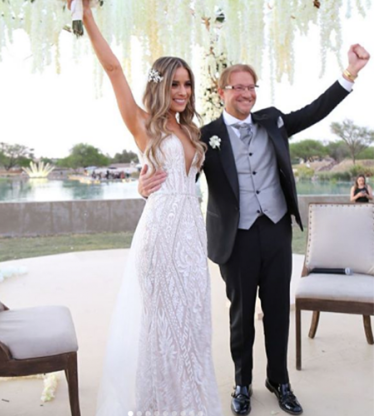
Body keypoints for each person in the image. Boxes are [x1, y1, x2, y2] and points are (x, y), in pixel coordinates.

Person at [139, 44, 370, 416]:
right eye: (238, 87)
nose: (246, 93)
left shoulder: (273, 120)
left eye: (251, 87)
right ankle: (242, 384)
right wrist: (144, 185)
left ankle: (279, 381)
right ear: (222, 92)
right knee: (241, 316)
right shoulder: (204, 136)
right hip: (236, 238)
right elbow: (179, 178)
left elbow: (315, 110)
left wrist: (351, 72)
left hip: (277, 231)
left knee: (278, 311)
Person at [68, 1, 223, 415]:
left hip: (191, 237)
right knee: (162, 327)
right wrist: (88, 17)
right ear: (160, 86)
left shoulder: (191, 129)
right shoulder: (143, 123)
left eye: (186, 84)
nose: (182, 92)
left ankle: (193, 405)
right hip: (159, 237)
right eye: (174, 85)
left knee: (193, 323)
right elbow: (113, 69)